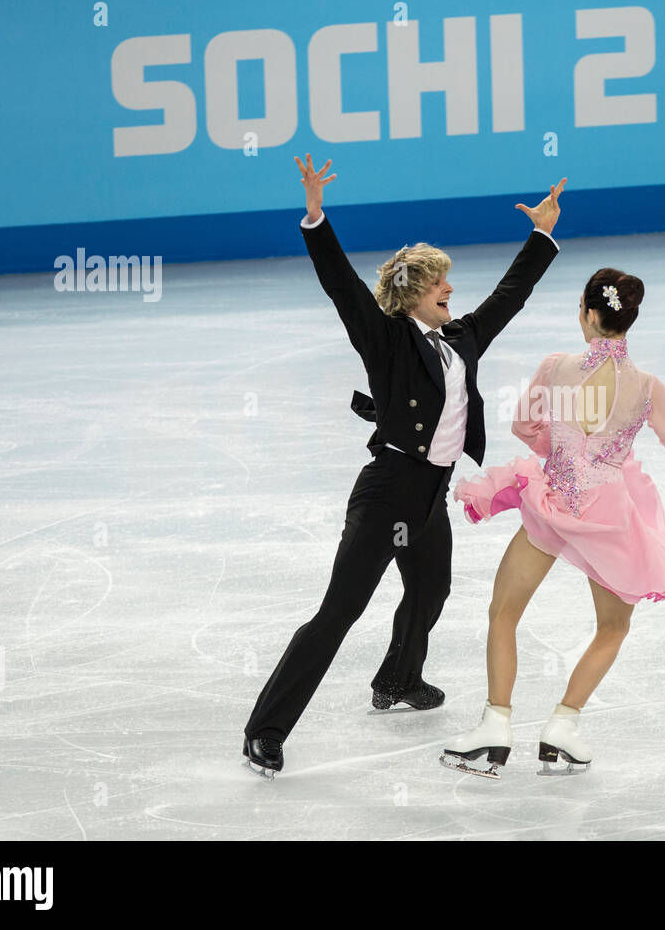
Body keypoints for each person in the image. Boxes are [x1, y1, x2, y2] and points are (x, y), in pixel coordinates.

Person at [242, 154, 567, 777]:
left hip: (429, 495)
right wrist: (316, 218)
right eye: (439, 283)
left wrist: (541, 234)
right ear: (411, 294)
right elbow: (341, 287)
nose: (450, 290)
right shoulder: (386, 340)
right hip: (388, 493)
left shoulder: (461, 338)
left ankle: (396, 679)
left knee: (430, 587)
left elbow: (510, 296)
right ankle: (266, 729)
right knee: (339, 612)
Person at [440, 269, 665, 778]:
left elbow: (523, 426)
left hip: (552, 502)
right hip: (608, 518)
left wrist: (562, 452)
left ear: (587, 313)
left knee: (504, 613)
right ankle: (563, 726)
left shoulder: (555, 367)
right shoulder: (646, 388)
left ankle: (495, 726)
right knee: (613, 627)